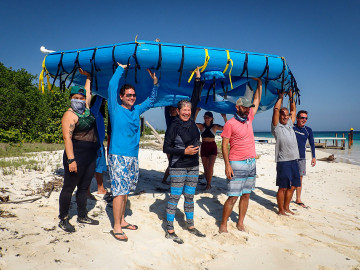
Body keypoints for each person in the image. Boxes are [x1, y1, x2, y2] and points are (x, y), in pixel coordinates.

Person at [108, 63, 158, 242]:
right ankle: (116, 227)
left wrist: (155, 84)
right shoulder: (115, 109)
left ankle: (121, 220)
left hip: (132, 157)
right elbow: (112, 86)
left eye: (133, 95)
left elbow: (151, 101)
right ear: (121, 96)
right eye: (128, 95)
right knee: (119, 192)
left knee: (126, 191)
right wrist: (120, 69)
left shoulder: (136, 110)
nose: (131, 97)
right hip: (118, 155)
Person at [163, 68, 205, 244]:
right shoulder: (174, 126)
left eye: (189, 109)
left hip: (193, 165)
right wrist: (184, 151)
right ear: (178, 111)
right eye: (184, 110)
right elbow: (166, 148)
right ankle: (170, 229)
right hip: (179, 165)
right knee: (174, 196)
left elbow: (195, 98)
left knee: (189, 196)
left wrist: (197, 79)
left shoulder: (192, 122)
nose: (187, 112)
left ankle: (190, 225)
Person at [58, 68, 100, 233]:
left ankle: (82, 215)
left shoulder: (86, 108)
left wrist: (88, 77)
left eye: (82, 98)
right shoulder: (70, 115)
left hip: (90, 156)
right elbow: (67, 138)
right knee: (69, 188)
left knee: (84, 187)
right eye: (76, 98)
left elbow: (88, 91)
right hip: (76, 156)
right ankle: (63, 218)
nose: (80, 100)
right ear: (71, 99)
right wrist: (71, 160)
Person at [219, 78, 262, 233]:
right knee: (233, 196)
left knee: (246, 195)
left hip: (251, 163)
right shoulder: (230, 124)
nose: (248, 110)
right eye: (245, 107)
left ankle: (240, 223)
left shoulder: (249, 117)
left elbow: (257, 100)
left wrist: (259, 84)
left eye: (248, 108)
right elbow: (224, 145)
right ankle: (223, 224)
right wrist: (227, 165)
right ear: (238, 107)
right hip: (236, 163)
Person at [271, 90, 300, 215]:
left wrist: (291, 95)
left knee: (293, 186)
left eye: (287, 115)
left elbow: (293, 109)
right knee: (283, 187)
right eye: (283, 114)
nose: (285, 116)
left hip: (294, 159)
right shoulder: (276, 126)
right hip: (283, 161)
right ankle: (281, 210)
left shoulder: (289, 124)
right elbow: (276, 110)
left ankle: (287, 207)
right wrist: (280, 97)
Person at [196, 111, 227, 190]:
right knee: (205, 167)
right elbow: (191, 123)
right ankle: (207, 182)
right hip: (204, 147)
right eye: (205, 117)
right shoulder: (201, 126)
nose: (207, 119)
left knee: (210, 166)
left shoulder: (215, 127)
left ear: (212, 119)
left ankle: (208, 184)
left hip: (212, 146)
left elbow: (227, 127)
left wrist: (224, 117)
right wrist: (196, 112)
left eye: (208, 117)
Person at [293, 110, 316, 208]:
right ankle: (287, 196)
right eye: (302, 117)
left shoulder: (308, 130)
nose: (304, 120)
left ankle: (298, 198)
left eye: (306, 118)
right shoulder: (292, 127)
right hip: (291, 157)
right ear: (297, 118)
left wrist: (313, 157)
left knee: (299, 178)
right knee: (290, 177)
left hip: (302, 157)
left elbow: (312, 144)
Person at [90, 96, 108, 196]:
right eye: (103, 101)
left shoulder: (99, 113)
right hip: (94, 145)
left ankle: (100, 188)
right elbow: (98, 102)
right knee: (91, 168)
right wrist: (101, 94)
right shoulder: (94, 111)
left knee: (100, 167)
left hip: (100, 145)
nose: (104, 103)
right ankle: (87, 191)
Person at [162, 106, 178, 184]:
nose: (172, 110)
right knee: (172, 163)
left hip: (177, 144)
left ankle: (166, 179)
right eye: (171, 109)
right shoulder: (169, 118)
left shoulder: (180, 119)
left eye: (173, 109)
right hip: (169, 144)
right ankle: (166, 180)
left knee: (174, 163)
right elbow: (166, 110)